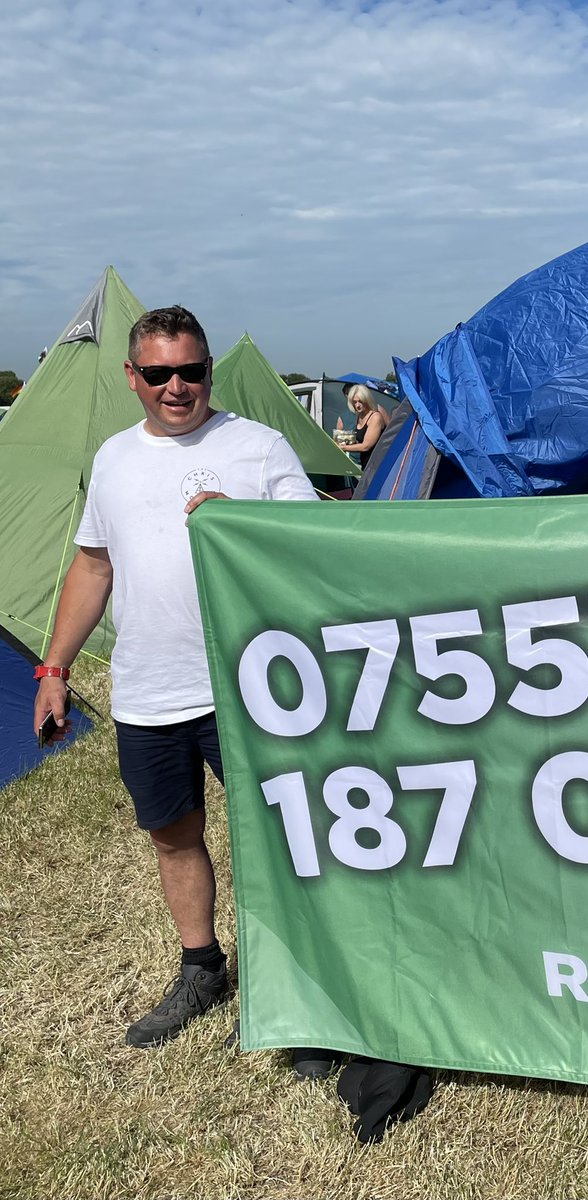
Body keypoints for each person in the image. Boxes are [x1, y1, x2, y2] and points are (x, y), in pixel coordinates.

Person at [32, 305, 321, 1050]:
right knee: (171, 835)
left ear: (208, 371)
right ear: (132, 376)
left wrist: (246, 527)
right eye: (158, 373)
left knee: (284, 839)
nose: (176, 386)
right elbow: (94, 567)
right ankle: (202, 968)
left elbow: (318, 547)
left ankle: (309, 988)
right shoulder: (114, 459)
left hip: (248, 687)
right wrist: (54, 667)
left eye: (190, 370)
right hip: (148, 689)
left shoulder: (256, 448)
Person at [341, 383, 388, 471]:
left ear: (367, 400)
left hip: (378, 466)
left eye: (360, 401)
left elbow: (366, 446)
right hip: (366, 465)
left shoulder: (375, 417)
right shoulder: (360, 416)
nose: (357, 405)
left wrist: (343, 448)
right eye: (355, 402)